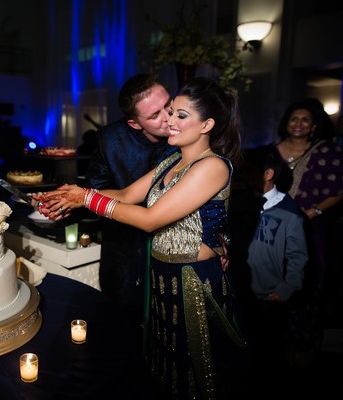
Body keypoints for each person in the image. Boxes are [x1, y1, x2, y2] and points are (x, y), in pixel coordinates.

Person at [34, 77, 248, 399]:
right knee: (165, 362)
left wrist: (86, 198)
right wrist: (67, 195)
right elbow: (125, 194)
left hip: (193, 281)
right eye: (170, 112)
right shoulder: (173, 160)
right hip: (161, 277)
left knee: (199, 369)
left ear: (207, 125)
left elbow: (150, 220)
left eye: (180, 115)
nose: (170, 121)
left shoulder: (212, 166)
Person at [83, 73, 174, 348]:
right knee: (122, 331)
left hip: (173, 247)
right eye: (155, 115)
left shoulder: (188, 132)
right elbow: (96, 191)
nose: (168, 117)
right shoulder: (110, 139)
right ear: (134, 123)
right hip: (123, 248)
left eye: (168, 104)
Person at [253, 98, 342, 366]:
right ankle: (266, 347)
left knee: (306, 281)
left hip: (307, 228)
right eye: (294, 118)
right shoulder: (269, 152)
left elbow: (339, 190)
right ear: (286, 122)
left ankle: (300, 348)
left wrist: (312, 212)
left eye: (305, 119)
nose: (299, 124)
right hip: (267, 227)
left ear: (314, 125)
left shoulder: (328, 153)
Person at [245, 152, 308, 393]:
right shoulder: (244, 203)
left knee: (268, 357)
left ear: (268, 174)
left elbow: (298, 255)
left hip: (270, 297)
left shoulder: (289, 212)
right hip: (242, 292)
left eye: (248, 171)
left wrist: (286, 288)